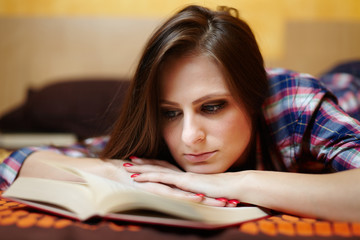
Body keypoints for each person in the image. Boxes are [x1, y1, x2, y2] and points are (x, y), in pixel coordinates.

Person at [1, 5, 360, 222]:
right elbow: (14, 165)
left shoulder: (294, 102)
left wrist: (235, 182)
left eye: (212, 107)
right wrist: (121, 175)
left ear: (254, 98)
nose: (190, 137)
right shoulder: (154, 137)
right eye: (171, 113)